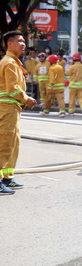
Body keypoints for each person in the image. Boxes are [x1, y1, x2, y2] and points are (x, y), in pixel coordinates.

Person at [0, 31, 37, 194]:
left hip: (13, 109)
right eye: (20, 41)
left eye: (24, 41)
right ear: (9, 43)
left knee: (13, 144)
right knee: (5, 144)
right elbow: (12, 88)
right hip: (7, 108)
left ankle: (7, 178)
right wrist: (27, 99)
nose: (23, 44)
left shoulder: (14, 62)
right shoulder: (9, 63)